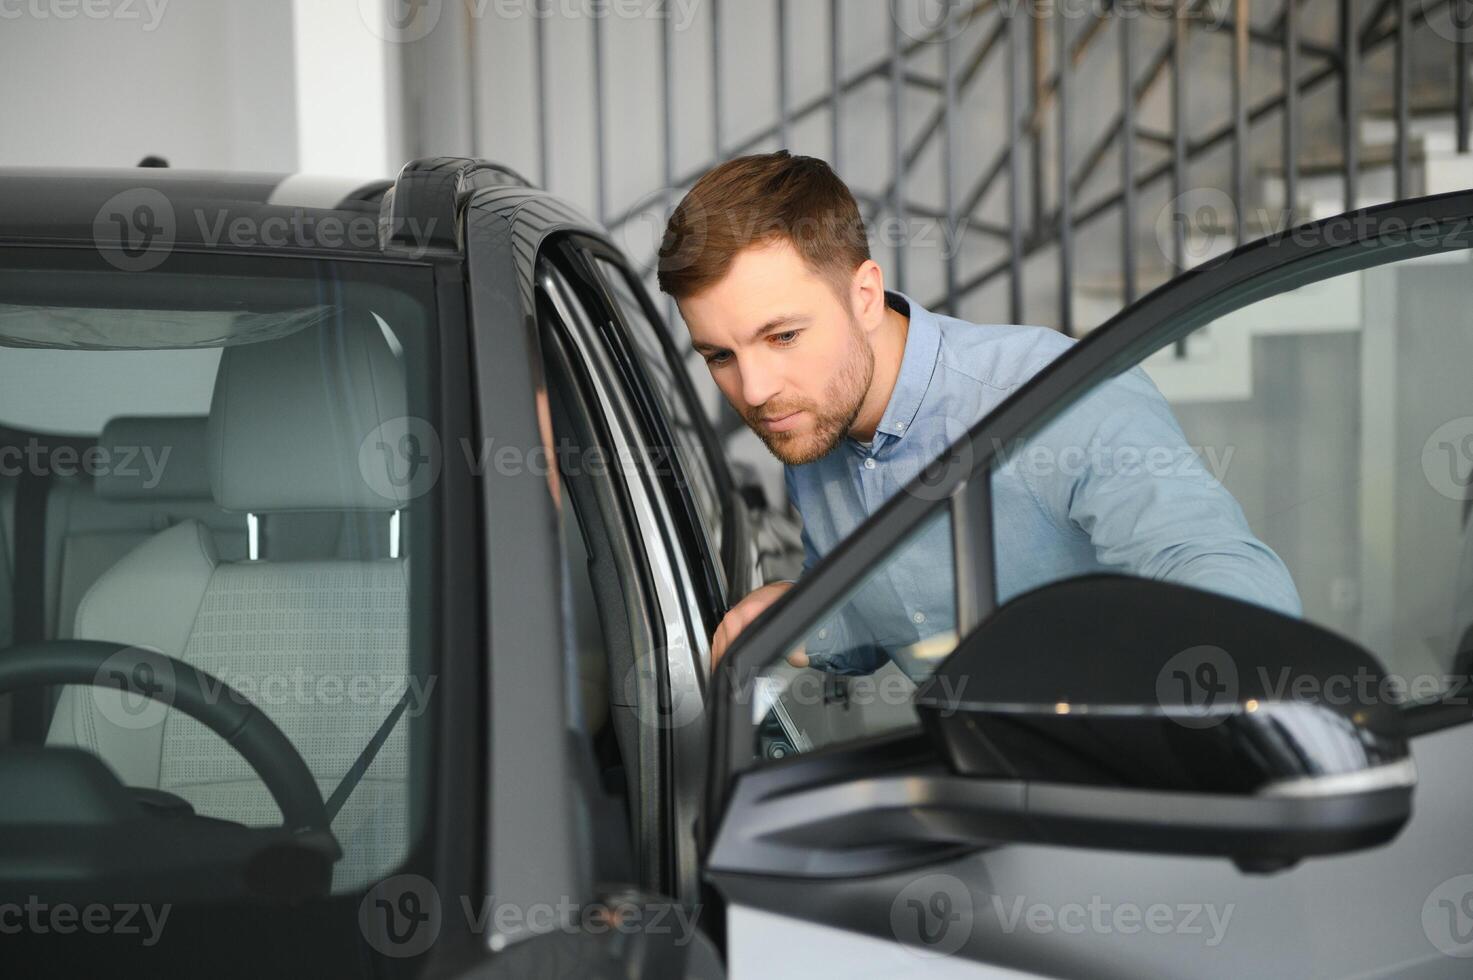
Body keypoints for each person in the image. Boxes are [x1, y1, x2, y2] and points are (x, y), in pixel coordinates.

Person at [656, 151, 1300, 679]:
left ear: (865, 296)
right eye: (719, 355)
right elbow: (892, 613)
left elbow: (1232, 584)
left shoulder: (1049, 396)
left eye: (784, 336)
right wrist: (804, 613)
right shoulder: (811, 423)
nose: (756, 390)